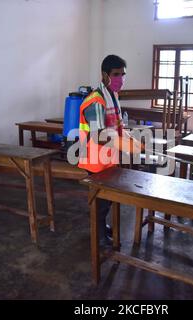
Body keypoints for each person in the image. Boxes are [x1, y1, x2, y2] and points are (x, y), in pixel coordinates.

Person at [78, 54, 142, 244]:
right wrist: (125, 145)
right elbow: (99, 135)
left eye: (123, 74)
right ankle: (97, 234)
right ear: (104, 74)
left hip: (108, 157)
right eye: (116, 74)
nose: (120, 79)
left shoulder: (113, 95)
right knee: (101, 200)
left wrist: (131, 139)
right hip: (94, 159)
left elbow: (117, 126)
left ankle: (101, 226)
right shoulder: (96, 100)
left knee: (107, 199)